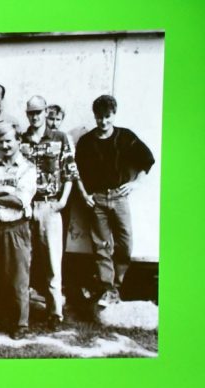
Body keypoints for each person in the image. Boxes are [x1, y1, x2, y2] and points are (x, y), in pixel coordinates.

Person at [74, 94, 155, 307]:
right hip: (97, 199)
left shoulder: (125, 137)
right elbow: (76, 173)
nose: (103, 122)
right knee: (101, 245)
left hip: (119, 197)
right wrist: (84, 194)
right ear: (95, 116)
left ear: (114, 114)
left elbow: (147, 160)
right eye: (99, 117)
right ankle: (107, 289)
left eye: (107, 117)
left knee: (125, 242)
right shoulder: (86, 141)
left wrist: (136, 184)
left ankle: (117, 285)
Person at [20, 95, 78, 330]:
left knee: (53, 261)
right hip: (25, 206)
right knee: (25, 260)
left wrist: (62, 201)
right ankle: (23, 312)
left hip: (49, 205)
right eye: (31, 113)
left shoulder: (60, 138)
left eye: (38, 112)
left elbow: (70, 172)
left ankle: (55, 313)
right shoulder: (21, 139)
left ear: (46, 112)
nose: (35, 116)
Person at [0, 125, 37, 339]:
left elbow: (20, 200)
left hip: (16, 228)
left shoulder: (28, 168)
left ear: (19, 141)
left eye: (9, 141)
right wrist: (6, 189)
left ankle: (19, 325)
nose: (5, 145)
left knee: (17, 278)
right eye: (1, 142)